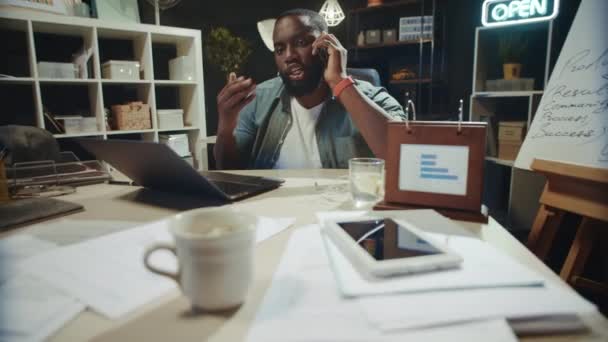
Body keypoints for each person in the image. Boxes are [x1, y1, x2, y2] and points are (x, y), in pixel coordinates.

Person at [214, 8, 405, 170]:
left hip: (342, 210)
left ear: (327, 45)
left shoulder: (371, 97)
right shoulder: (258, 98)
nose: (289, 56)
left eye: (300, 43)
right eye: (280, 49)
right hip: (274, 210)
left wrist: (341, 82)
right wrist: (226, 124)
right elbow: (229, 170)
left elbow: (401, 157)